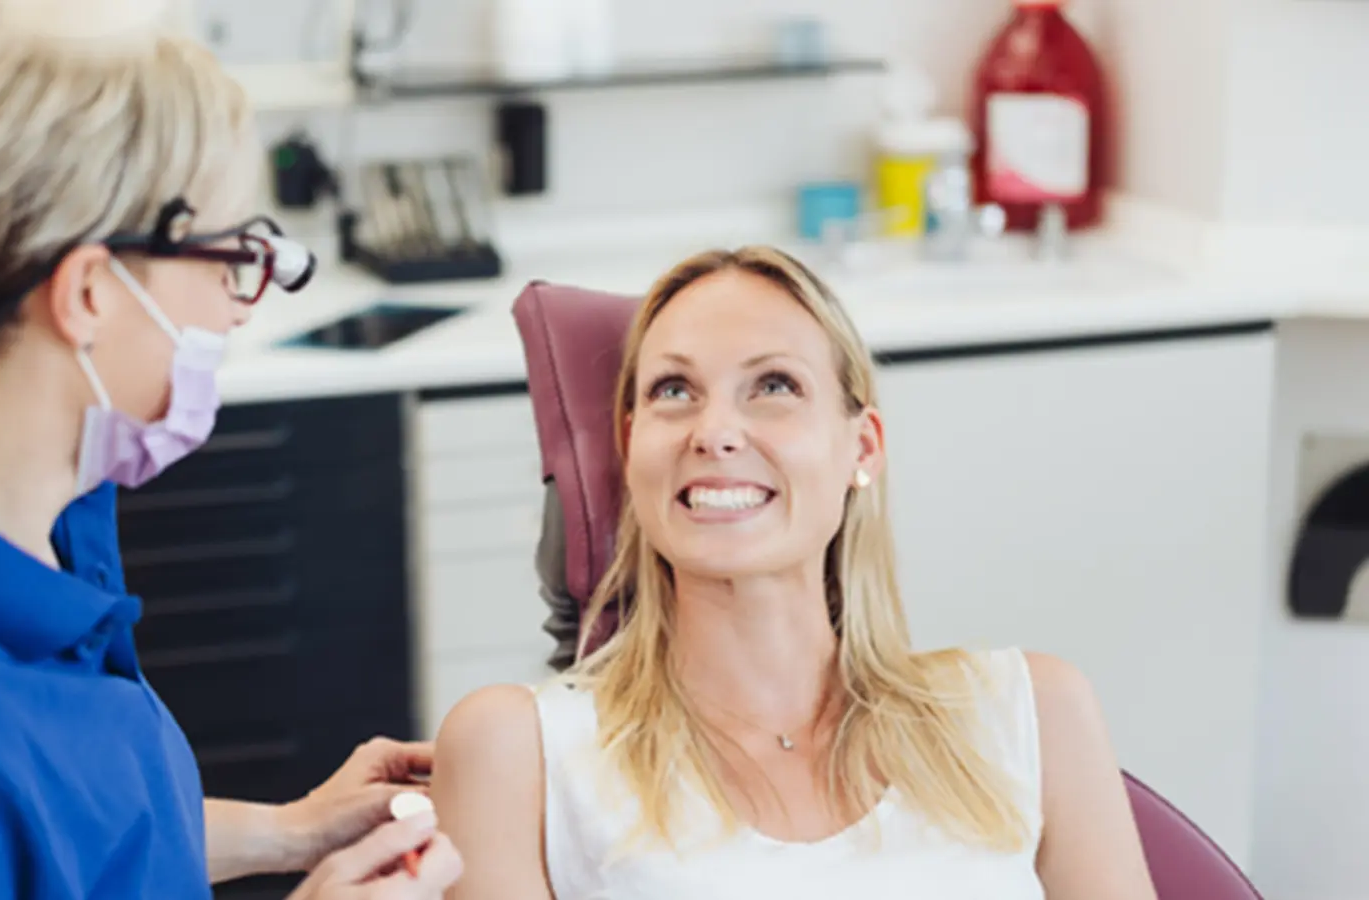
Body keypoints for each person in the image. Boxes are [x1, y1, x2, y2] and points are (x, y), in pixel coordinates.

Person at [0, 1, 460, 897]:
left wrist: (291, 831)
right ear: (90, 292)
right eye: (229, 255)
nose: (241, 303)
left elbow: (63, 836)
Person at [430, 246, 1159, 898]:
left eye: (773, 385)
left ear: (862, 449)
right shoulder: (517, 751)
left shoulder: (1032, 713)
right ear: (630, 446)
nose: (714, 432)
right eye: (673, 392)